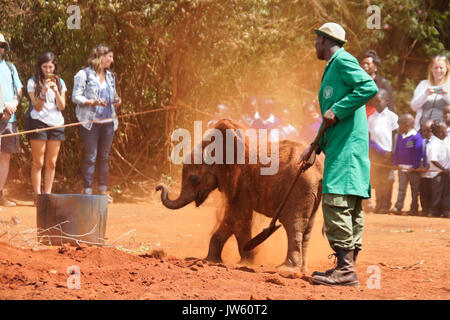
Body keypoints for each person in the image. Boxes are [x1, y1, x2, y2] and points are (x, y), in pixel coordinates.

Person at [298, 22, 378, 287]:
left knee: (336, 202)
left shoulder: (343, 61)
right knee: (351, 206)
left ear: (323, 39)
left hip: (346, 149)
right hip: (344, 147)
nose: (314, 45)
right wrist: (314, 147)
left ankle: (345, 270)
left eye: (316, 39)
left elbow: (368, 88)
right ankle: (346, 268)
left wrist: (339, 109)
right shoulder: (334, 66)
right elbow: (329, 118)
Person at [72, 44, 121, 203]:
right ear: (100, 57)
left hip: (108, 123)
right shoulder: (83, 74)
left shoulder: (110, 76)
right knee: (90, 156)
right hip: (90, 123)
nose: (111, 60)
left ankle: (102, 192)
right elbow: (75, 97)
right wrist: (91, 102)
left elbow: (112, 97)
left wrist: (116, 100)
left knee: (104, 157)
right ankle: (87, 191)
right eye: (109, 57)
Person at [26, 52, 66, 202]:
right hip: (38, 122)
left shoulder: (60, 82)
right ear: (40, 67)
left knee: (52, 162)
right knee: (38, 162)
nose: (48, 70)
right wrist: (43, 92)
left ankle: (47, 195)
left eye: (51, 67)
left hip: (56, 123)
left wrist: (55, 90)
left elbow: (62, 106)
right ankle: (38, 196)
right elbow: (36, 107)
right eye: (45, 67)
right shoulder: (33, 82)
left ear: (55, 67)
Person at [0, 33, 23, 208]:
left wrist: (14, 103)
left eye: (2, 45)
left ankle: (0, 194)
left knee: (5, 156)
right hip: (3, 114)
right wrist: (3, 107)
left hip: (9, 119)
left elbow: (19, 89)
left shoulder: (10, 67)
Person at [367, 89, 398, 214]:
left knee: (388, 180)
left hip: (388, 154)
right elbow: (369, 137)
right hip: (375, 156)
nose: (376, 103)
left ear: (387, 101)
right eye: (374, 101)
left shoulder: (392, 117)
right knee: (377, 180)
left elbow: (395, 135)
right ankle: (379, 203)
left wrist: (392, 153)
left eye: (379, 101)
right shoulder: (371, 118)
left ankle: (386, 204)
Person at [391, 114, 423, 215]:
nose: (398, 127)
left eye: (400, 124)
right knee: (401, 188)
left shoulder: (416, 137)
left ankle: (413, 209)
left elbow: (418, 153)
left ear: (407, 124)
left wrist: (414, 167)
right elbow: (397, 150)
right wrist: (395, 163)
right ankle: (398, 207)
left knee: (414, 190)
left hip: (413, 170)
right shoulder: (400, 136)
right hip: (402, 168)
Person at [410, 55, 450, 131]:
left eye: (441, 68)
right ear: (431, 69)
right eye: (435, 67)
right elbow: (413, 107)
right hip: (422, 130)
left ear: (447, 69)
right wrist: (425, 94)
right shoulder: (423, 84)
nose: (438, 70)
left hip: (442, 131)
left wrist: (445, 94)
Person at [360, 49, 395, 115]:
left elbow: (390, 107)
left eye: (368, 64)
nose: (365, 66)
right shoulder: (358, 83)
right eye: (363, 63)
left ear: (375, 66)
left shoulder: (383, 84)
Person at [425, 121, 449, 217]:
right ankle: (433, 211)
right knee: (437, 193)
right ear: (439, 131)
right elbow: (433, 160)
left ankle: (446, 211)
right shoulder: (433, 144)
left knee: (446, 192)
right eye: (444, 129)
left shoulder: (444, 141)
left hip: (445, 172)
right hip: (437, 173)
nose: (446, 131)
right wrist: (443, 169)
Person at [419, 120, 433, 216]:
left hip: (433, 173)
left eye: (429, 131)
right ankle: (424, 209)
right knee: (423, 192)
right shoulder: (421, 142)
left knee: (432, 192)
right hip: (422, 172)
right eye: (424, 131)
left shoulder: (436, 143)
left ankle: (431, 210)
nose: (426, 133)